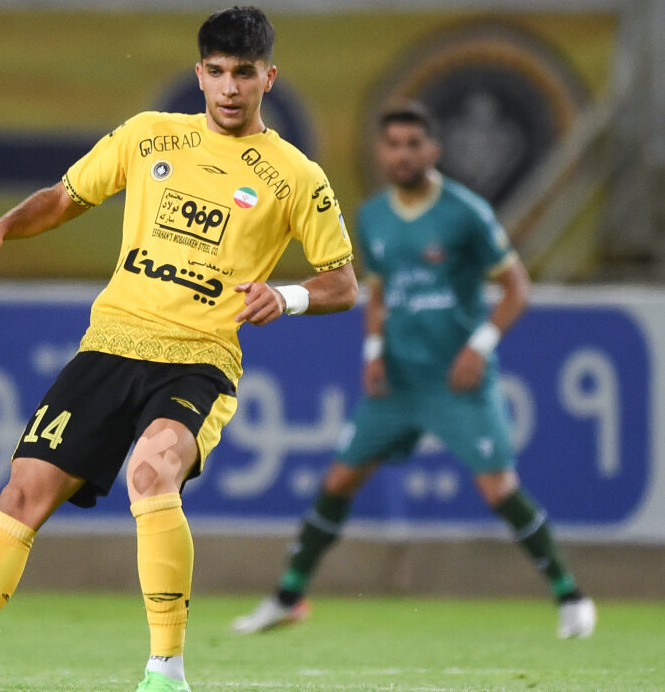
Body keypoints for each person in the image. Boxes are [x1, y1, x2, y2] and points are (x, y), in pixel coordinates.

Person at [0, 6, 357, 692]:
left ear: (268, 78)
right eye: (217, 72)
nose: (229, 88)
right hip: (109, 345)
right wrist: (2, 228)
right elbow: (66, 198)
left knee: (150, 473)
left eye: (244, 74)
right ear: (198, 74)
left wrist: (285, 296)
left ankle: (167, 677)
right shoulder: (147, 134)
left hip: (198, 359)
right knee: (22, 494)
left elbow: (342, 283)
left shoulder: (294, 176)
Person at [230, 101, 597, 640]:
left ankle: (571, 597)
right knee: (339, 479)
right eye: (393, 145)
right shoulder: (373, 215)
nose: (402, 155)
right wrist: (373, 351)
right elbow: (378, 292)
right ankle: (288, 597)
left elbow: (516, 287)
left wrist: (481, 345)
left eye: (413, 144)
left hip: (456, 382)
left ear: (433, 150)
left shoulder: (465, 212)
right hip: (398, 382)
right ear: (381, 152)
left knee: (499, 488)